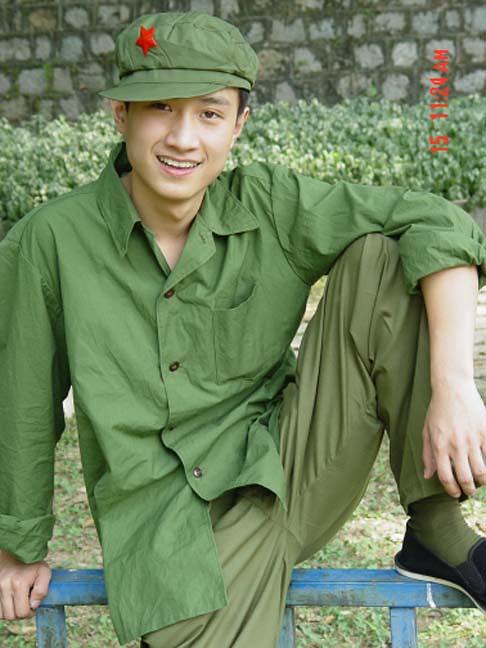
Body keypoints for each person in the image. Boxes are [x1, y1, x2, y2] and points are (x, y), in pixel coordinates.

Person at [0, 10, 485, 647]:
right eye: (160, 108)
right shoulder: (50, 241)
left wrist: (454, 386)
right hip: (174, 545)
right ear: (121, 114)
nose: (183, 138)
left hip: (288, 472)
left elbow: (436, 222)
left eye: (209, 113)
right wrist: (17, 547)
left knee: (382, 257)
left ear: (238, 124)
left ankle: (436, 529)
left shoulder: (268, 206)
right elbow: (24, 403)